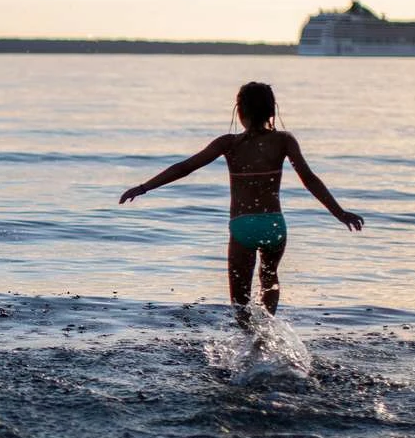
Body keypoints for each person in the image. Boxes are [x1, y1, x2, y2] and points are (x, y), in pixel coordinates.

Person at [118, 82, 362, 325]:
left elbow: (185, 167)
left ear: (240, 111)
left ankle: (251, 338)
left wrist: (143, 188)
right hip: (274, 226)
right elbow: (309, 179)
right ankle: (268, 329)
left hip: (243, 226)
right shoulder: (284, 141)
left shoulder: (229, 143)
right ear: (271, 111)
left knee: (240, 301)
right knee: (270, 279)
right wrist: (340, 213)